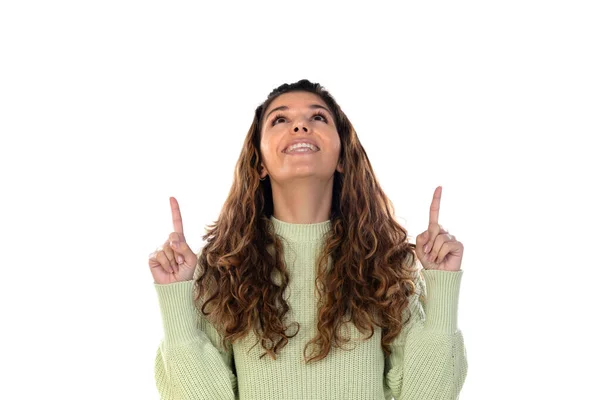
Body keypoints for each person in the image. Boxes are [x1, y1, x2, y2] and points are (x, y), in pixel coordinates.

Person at [148, 79, 468, 400]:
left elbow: (429, 394)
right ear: (259, 163)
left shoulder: (385, 264)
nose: (300, 126)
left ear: (342, 157)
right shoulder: (226, 268)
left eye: (318, 118)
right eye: (280, 120)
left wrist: (441, 284)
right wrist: (175, 298)